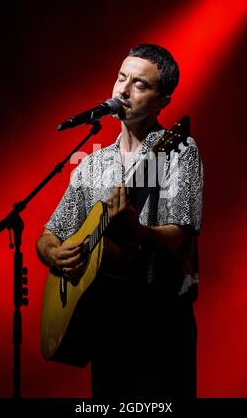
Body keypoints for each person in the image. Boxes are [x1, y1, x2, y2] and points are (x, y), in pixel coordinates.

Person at [36, 43, 203, 399]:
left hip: (161, 324)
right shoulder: (93, 163)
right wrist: (53, 254)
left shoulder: (178, 150)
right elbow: (50, 234)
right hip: (106, 322)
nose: (123, 90)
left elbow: (177, 236)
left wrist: (135, 228)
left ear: (163, 101)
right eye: (121, 77)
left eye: (140, 84)